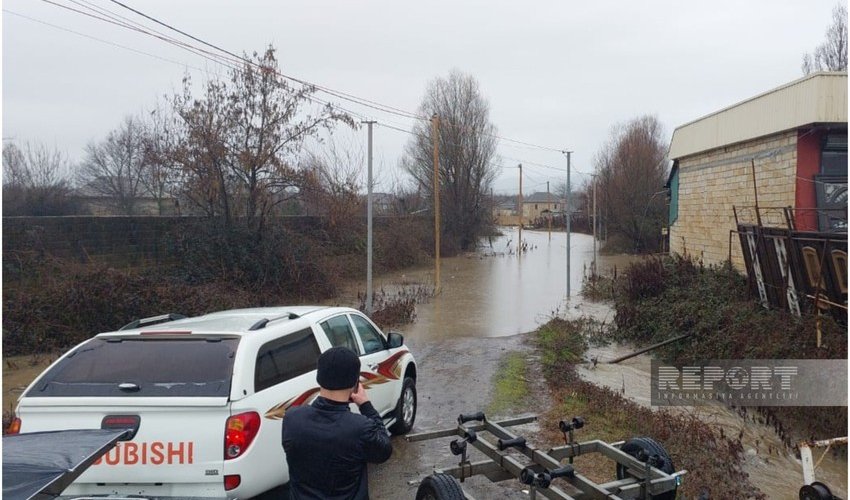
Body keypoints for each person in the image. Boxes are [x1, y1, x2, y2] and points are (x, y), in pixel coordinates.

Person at [282, 346, 393, 499]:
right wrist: (366, 405)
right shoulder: (360, 428)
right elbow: (384, 451)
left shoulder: (292, 418)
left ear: (319, 378)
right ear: (355, 383)